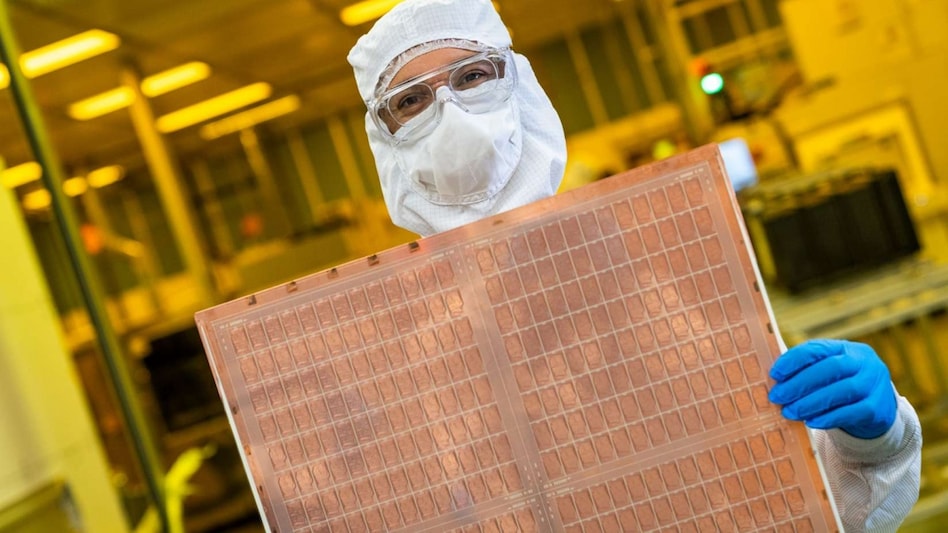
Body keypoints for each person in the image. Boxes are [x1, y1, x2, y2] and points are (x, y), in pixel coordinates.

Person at [347, 0, 922, 530]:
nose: (450, 110)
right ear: (385, 137)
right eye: (411, 100)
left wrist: (873, 443)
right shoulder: (387, 353)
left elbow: (799, 494)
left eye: (472, 76)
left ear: (517, 86)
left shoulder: (648, 267)